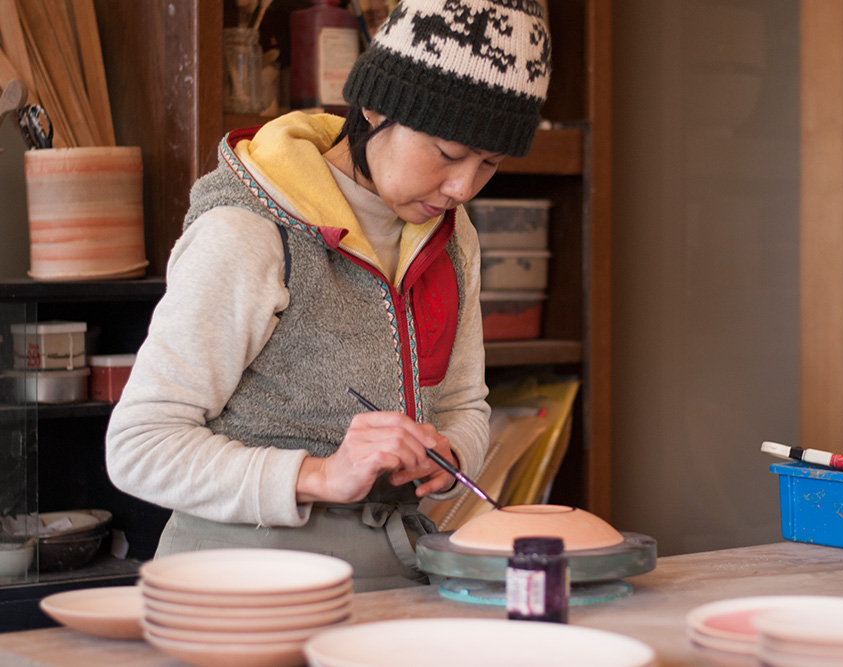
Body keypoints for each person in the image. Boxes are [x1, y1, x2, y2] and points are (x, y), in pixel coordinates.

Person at [105, 0, 552, 592]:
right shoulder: (248, 232)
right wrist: (319, 476)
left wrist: (448, 460)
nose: (462, 186)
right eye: (447, 153)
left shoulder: (453, 235)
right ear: (374, 106)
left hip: (397, 576)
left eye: (489, 163)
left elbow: (464, 405)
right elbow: (140, 446)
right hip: (236, 583)